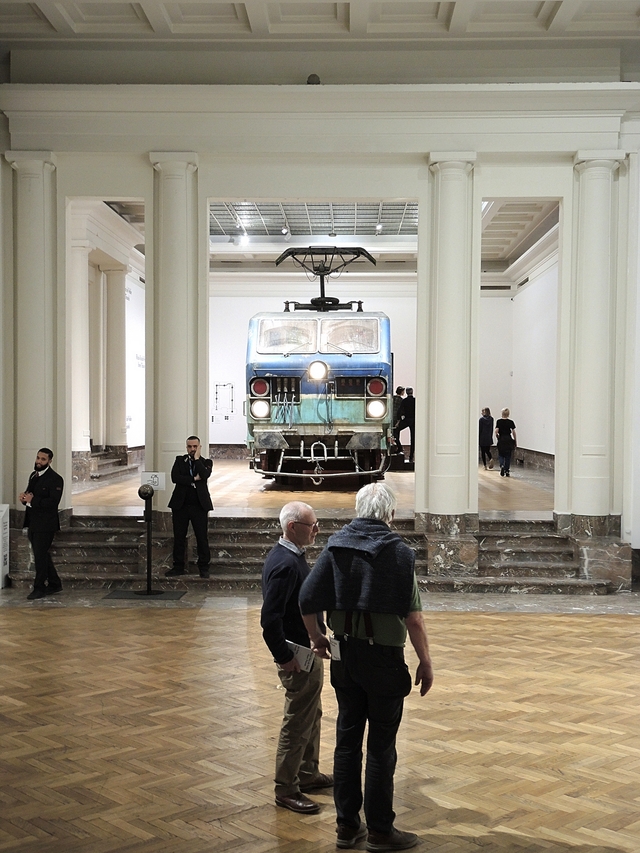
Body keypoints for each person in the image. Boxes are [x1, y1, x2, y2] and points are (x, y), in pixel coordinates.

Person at [299, 483, 433, 852]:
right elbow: (415, 619)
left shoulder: (336, 546)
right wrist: (425, 660)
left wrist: (317, 637)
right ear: (390, 514)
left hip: (345, 657)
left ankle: (346, 827)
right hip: (384, 660)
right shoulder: (400, 554)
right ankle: (380, 831)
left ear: (358, 510)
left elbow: (307, 598)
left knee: (346, 742)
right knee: (380, 747)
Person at [260, 501, 333, 814]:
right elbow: (269, 618)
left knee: (311, 714)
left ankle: (307, 772)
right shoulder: (286, 565)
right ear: (292, 527)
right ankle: (286, 788)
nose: (317, 530)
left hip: (307, 650)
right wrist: (284, 656)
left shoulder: (291, 557)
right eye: (311, 525)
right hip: (297, 656)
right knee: (297, 721)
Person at [18, 447, 64, 600]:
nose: (39, 461)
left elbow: (52, 502)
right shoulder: (33, 475)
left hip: (46, 524)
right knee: (42, 554)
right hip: (32, 522)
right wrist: (25, 499)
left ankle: (39, 588)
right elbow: (30, 495)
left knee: (39, 556)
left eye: (43, 459)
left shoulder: (56, 479)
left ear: (50, 461)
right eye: (38, 458)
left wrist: (32, 501)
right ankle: (55, 583)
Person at [166, 436, 213, 578]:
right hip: (181, 505)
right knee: (179, 537)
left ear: (199, 447)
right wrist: (192, 479)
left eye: (195, 446)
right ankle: (178, 566)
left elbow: (204, 475)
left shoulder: (206, 462)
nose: (192, 449)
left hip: (199, 506)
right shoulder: (180, 461)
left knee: (201, 537)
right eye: (189, 447)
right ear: (186, 447)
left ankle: (203, 567)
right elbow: (175, 477)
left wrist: (197, 460)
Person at [495, 408, 517, 477]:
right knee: (508, 456)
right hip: (508, 439)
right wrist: (515, 441)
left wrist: (497, 437)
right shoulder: (511, 422)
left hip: (501, 439)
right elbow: (513, 432)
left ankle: (502, 465)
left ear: (502, 413)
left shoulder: (499, 421)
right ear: (508, 414)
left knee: (501, 454)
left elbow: (496, 431)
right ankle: (507, 470)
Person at [397, 387, 415, 463]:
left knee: (396, 431)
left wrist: (399, 420)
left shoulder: (404, 401)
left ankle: (399, 447)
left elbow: (400, 411)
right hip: (414, 420)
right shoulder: (415, 400)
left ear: (406, 393)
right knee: (413, 439)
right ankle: (411, 457)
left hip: (406, 420)